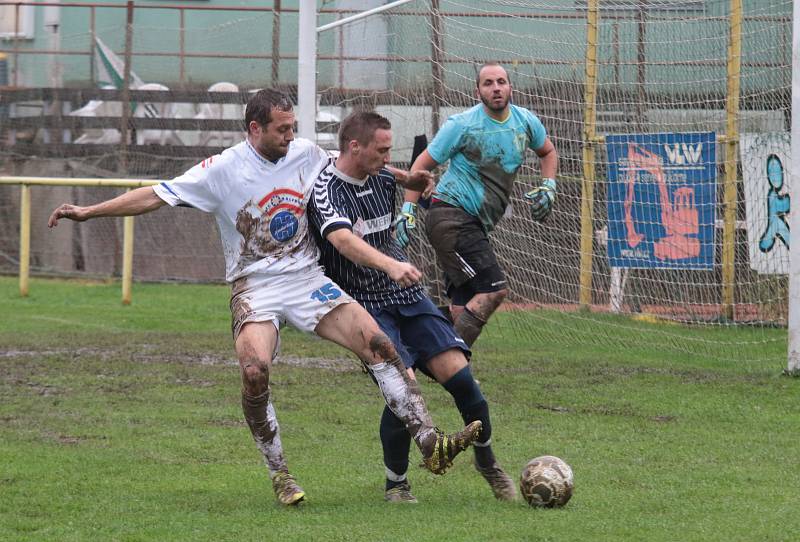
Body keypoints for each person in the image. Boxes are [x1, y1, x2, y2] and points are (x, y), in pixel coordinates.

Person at [47, 89, 481, 506]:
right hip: (255, 285)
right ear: (255, 129)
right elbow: (153, 196)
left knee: (381, 347)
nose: (291, 137)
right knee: (254, 371)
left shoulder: (305, 152)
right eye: (282, 130)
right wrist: (88, 211)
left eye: (293, 128)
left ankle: (430, 443)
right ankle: (281, 473)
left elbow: (352, 163)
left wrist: (407, 177)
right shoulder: (221, 170)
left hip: (307, 278)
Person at [308, 111, 516, 503]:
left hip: (406, 296)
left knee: (462, 379)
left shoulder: (384, 177)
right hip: (364, 305)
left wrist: (415, 181)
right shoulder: (325, 191)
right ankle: (397, 484)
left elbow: (399, 178)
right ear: (355, 146)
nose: (388, 157)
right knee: (404, 389)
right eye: (382, 150)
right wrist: (392, 264)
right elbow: (343, 241)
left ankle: (486, 460)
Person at [397, 62, 559, 348]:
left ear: (510, 87)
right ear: (478, 91)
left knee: (463, 303)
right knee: (494, 290)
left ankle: (412, 340)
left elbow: (547, 151)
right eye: (488, 83)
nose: (496, 88)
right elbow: (421, 164)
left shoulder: (525, 121)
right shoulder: (463, 125)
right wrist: (408, 210)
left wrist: (549, 185)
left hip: (472, 224)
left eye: (501, 82)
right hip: (450, 217)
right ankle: (448, 360)